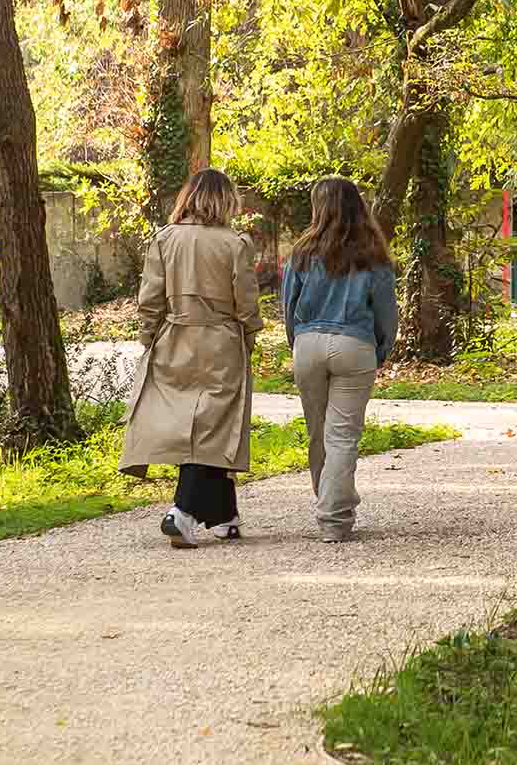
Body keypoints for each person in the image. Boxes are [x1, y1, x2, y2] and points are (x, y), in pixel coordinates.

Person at [121, 169, 263, 547]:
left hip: (174, 339)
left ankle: (223, 515)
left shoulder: (164, 240)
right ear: (224, 201)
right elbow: (245, 301)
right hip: (220, 340)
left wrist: (149, 337)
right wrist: (250, 335)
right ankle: (182, 512)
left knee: (191, 424)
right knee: (211, 427)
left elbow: (150, 298)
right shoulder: (235, 244)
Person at [279, 176, 398, 544]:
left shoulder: (302, 252)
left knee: (319, 432)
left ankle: (329, 500)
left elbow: (288, 306)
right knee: (343, 435)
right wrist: (381, 349)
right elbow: (386, 313)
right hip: (354, 345)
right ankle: (334, 516)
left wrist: (296, 342)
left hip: (309, 343)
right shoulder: (373, 254)